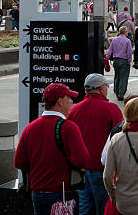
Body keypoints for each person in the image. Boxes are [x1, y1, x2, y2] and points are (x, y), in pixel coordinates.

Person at [14, 83, 90, 214]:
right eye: (69, 98)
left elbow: (19, 162)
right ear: (60, 101)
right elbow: (83, 160)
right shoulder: (68, 127)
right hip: (62, 194)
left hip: (37, 193)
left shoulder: (30, 128)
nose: (71, 102)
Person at [67, 73, 123, 214]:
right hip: (102, 168)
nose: (107, 89)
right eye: (106, 86)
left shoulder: (73, 110)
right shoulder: (111, 109)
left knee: (84, 207)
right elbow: (120, 138)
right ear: (101, 89)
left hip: (80, 169)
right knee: (103, 207)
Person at [106, 26, 132, 101]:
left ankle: (116, 91)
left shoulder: (114, 40)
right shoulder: (127, 41)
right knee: (124, 78)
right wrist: (129, 61)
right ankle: (120, 94)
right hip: (124, 61)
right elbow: (129, 52)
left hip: (116, 60)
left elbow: (110, 50)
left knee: (117, 76)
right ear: (125, 32)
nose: (127, 33)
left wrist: (107, 58)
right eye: (127, 31)